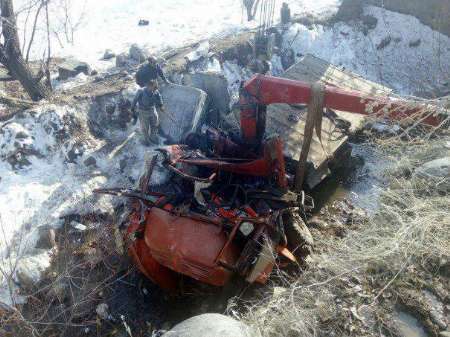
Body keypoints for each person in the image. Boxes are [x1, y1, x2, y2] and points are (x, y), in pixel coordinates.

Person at [131, 79, 165, 145]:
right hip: (143, 112)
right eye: (153, 88)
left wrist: (161, 105)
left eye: (155, 88)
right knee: (145, 128)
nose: (154, 90)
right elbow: (134, 100)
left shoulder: (155, 91)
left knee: (155, 125)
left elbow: (159, 97)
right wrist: (132, 110)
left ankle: (153, 137)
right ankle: (146, 140)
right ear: (149, 86)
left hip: (152, 110)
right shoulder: (141, 91)